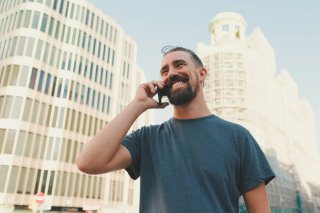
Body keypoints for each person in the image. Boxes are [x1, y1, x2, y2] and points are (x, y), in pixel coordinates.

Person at [76, 46, 275, 213]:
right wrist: (137, 104)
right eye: (164, 71)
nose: (170, 73)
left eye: (179, 65)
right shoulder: (146, 139)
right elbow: (88, 162)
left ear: (202, 74)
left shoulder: (238, 137)